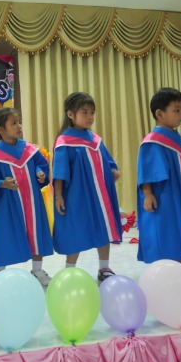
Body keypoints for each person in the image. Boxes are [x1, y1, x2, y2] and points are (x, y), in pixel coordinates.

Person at [52, 92, 122, 283]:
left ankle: (104, 267)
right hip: (76, 195)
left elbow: (107, 161)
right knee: (75, 228)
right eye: (84, 112)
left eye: (92, 112)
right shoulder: (64, 141)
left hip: (100, 194)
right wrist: (59, 195)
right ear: (70, 114)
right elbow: (59, 171)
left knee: (103, 227)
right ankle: (69, 269)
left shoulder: (95, 139)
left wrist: (113, 170)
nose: (90, 116)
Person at [0, 107, 53, 285]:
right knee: (4, 234)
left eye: (19, 122)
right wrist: (2, 183)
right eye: (13, 123)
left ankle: (37, 269)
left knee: (36, 232)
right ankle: (0, 271)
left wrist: (40, 173)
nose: (19, 126)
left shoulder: (29, 150)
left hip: (32, 201)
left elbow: (41, 164)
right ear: (0, 129)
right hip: (8, 204)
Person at [137, 87, 181, 264]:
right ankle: (162, 272)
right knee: (165, 233)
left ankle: (178, 270)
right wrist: (148, 194)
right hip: (163, 196)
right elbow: (147, 170)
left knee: (180, 234)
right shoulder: (153, 141)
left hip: (179, 196)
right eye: (176, 110)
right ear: (160, 113)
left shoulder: (178, 140)